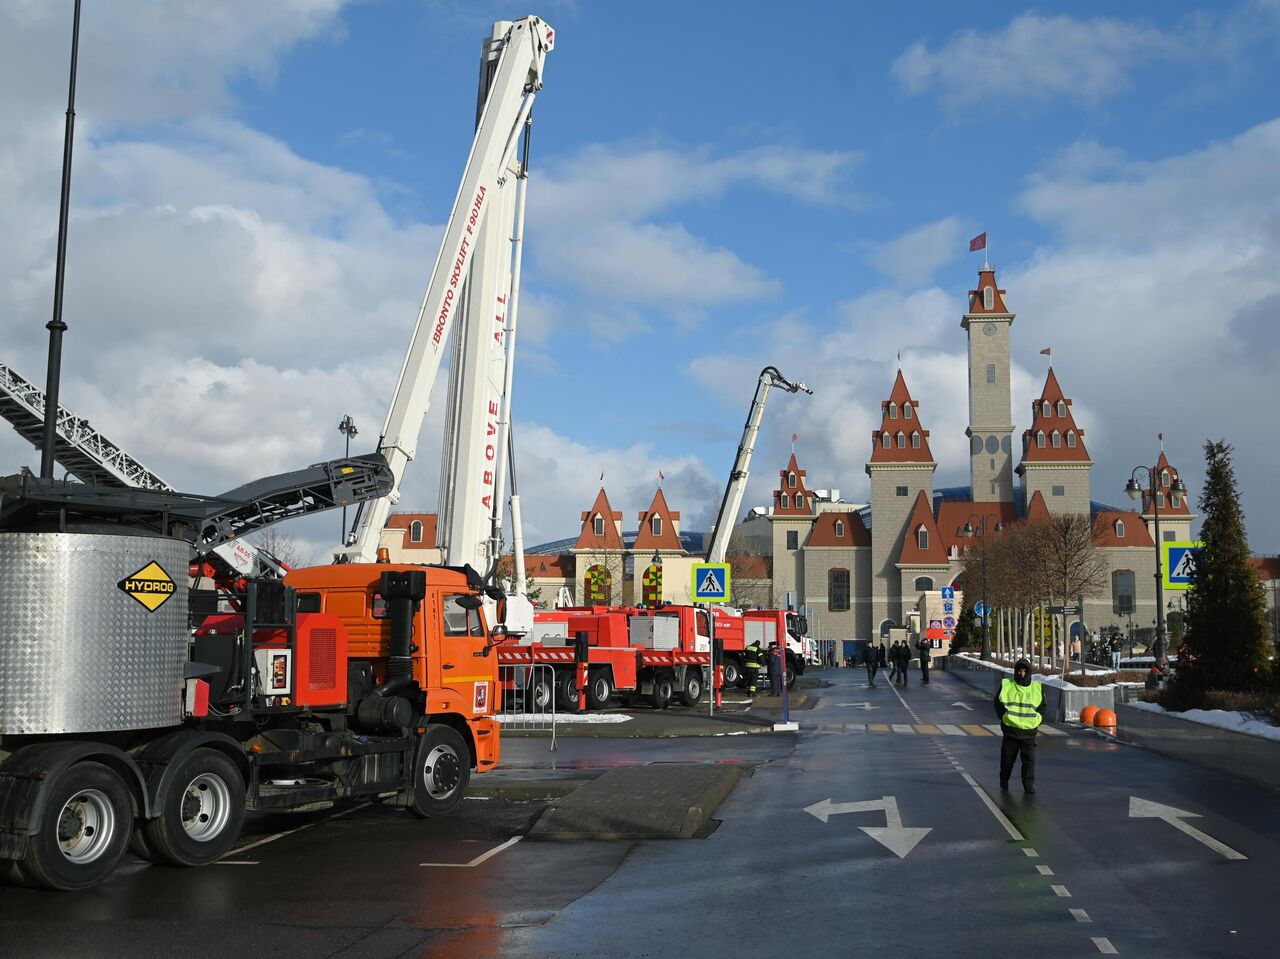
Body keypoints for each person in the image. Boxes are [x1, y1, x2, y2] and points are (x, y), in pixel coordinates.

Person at [994, 658, 1047, 794]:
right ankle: (1004, 780)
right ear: (1015, 671)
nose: (1021, 674)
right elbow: (998, 703)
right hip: (1011, 731)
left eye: (1024, 671)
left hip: (1029, 733)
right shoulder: (1007, 684)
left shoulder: (1037, 687)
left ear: (1028, 672)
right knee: (1007, 760)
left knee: (1029, 762)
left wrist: (1038, 720)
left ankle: (1028, 785)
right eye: (1019, 671)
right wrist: (1004, 717)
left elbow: (1042, 707)